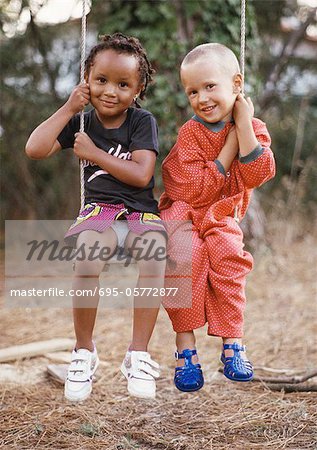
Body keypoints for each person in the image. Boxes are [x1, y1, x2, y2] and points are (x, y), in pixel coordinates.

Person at [25, 33, 166, 401]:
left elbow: (141, 175)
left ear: (137, 90)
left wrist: (95, 154)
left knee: (155, 254)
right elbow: (35, 148)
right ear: (87, 77)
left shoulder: (141, 121)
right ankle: (84, 352)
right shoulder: (81, 122)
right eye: (101, 80)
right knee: (86, 257)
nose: (110, 91)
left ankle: (138, 354)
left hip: (139, 212)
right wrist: (69, 109)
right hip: (99, 212)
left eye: (123, 84)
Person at [159, 43, 275, 391]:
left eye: (210, 86)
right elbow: (195, 189)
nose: (202, 98)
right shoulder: (190, 134)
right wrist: (230, 148)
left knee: (229, 260)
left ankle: (232, 344)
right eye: (192, 91)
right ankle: (185, 350)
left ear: (236, 85)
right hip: (184, 211)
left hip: (221, 214)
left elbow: (260, 172)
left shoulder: (252, 126)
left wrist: (243, 127)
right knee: (183, 258)